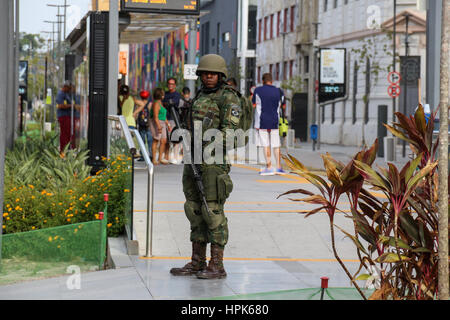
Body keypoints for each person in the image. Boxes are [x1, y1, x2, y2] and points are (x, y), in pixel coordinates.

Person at [170, 54, 242, 280]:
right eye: (205, 73)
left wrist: (205, 144)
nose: (209, 77)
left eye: (213, 74)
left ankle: (217, 265)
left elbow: (230, 134)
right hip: (193, 159)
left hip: (212, 163)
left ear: (220, 76)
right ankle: (196, 262)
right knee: (194, 209)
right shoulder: (200, 95)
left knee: (213, 212)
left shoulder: (229, 98)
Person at [252, 73, 287, 176]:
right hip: (275, 121)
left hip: (261, 122)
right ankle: (279, 168)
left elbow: (254, 104)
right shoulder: (279, 91)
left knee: (265, 144)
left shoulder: (258, 90)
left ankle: (269, 167)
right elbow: (283, 106)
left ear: (263, 80)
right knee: (276, 144)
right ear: (272, 80)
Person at [56, 81, 80, 153]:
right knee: (65, 133)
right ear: (65, 87)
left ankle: (71, 149)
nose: (70, 89)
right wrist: (72, 106)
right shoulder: (61, 94)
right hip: (64, 116)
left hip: (69, 116)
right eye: (69, 88)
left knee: (70, 133)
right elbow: (60, 105)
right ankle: (63, 150)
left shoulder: (67, 94)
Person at [149, 88, 171, 165]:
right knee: (156, 140)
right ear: (161, 95)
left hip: (162, 123)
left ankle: (160, 158)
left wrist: (168, 124)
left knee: (163, 140)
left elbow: (164, 116)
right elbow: (155, 116)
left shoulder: (160, 103)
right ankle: (154, 159)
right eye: (163, 94)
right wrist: (158, 126)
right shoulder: (156, 104)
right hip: (156, 123)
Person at [163, 77, 182, 164]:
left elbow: (173, 103)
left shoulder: (177, 95)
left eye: (172, 84)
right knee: (166, 139)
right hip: (165, 118)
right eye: (169, 84)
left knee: (175, 139)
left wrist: (167, 103)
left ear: (175, 85)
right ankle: (166, 157)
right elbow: (163, 103)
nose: (170, 85)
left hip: (174, 119)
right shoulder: (165, 94)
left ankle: (175, 157)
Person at [137, 90, 153, 162]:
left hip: (141, 124)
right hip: (148, 124)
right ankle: (150, 155)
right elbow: (150, 114)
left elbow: (137, 113)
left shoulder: (139, 103)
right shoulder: (149, 104)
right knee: (149, 141)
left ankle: (142, 156)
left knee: (142, 141)